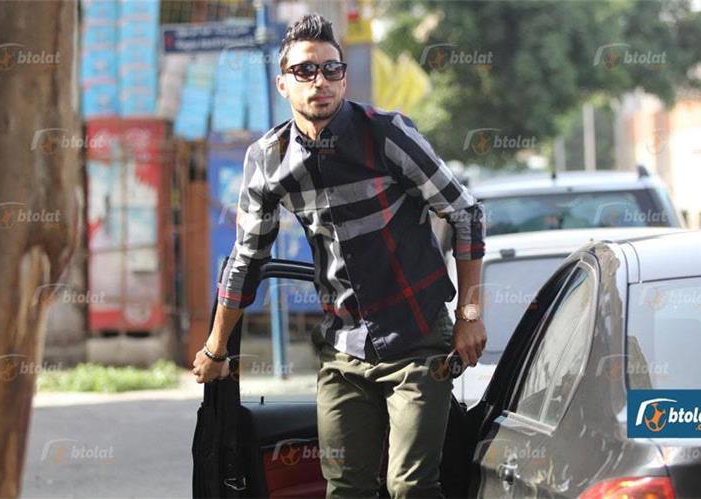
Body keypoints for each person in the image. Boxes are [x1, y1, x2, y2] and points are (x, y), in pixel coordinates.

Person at [191, 13, 487, 498]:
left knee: (409, 486)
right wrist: (215, 348)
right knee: (345, 489)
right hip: (343, 348)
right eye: (305, 71)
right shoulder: (268, 159)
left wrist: (469, 316)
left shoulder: (387, 135)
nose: (320, 81)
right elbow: (247, 260)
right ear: (283, 84)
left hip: (418, 340)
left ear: (344, 78)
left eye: (332, 69)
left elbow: (465, 213)